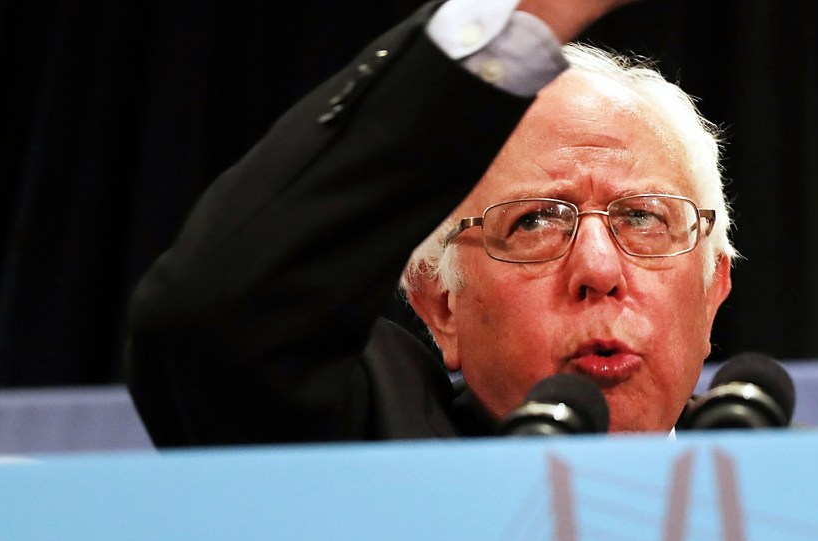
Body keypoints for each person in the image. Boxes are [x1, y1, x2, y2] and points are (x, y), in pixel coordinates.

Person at [126, 0, 732, 445]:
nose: (598, 268)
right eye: (535, 222)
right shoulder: (379, 447)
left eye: (643, 217)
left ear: (711, 293)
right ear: (440, 304)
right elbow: (214, 320)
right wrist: (508, 31)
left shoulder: (785, 487)